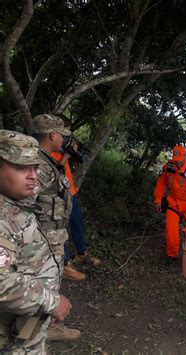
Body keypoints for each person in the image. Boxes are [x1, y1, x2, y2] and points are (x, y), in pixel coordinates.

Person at [0, 130, 72, 353]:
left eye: (35, 167)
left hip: (23, 330)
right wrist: (52, 302)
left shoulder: (16, 200)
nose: (33, 176)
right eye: (22, 168)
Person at [31, 114, 81, 341]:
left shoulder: (45, 159)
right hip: (42, 234)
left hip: (50, 233)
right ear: (52, 135)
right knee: (44, 281)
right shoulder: (37, 163)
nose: (64, 140)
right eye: (62, 135)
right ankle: (38, 331)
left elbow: (52, 184)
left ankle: (42, 327)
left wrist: (66, 158)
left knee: (51, 279)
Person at [50, 116, 102, 281]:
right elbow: (52, 174)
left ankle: (81, 254)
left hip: (70, 193)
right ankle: (65, 265)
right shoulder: (46, 149)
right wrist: (66, 154)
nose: (68, 136)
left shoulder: (61, 147)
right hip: (57, 197)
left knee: (77, 223)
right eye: (65, 132)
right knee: (61, 230)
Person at [154, 145, 186, 264]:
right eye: (176, 160)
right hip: (174, 202)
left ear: (185, 157)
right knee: (171, 228)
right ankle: (172, 254)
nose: (178, 163)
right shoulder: (168, 167)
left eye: (180, 160)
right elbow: (161, 183)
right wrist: (158, 199)